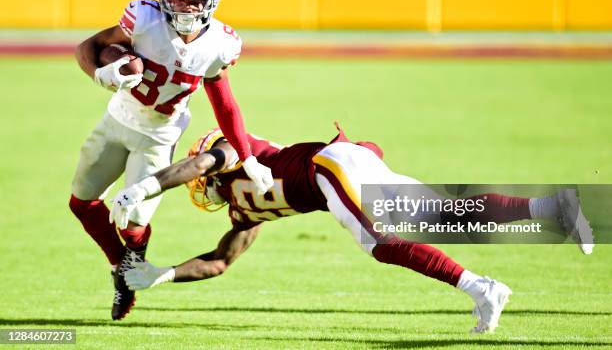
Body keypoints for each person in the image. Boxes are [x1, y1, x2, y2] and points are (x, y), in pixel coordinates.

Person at [110, 125, 593, 331]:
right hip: (345, 167)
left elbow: (195, 165)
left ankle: (481, 288)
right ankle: (552, 207)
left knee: (382, 243)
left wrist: (146, 189)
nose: (203, 187)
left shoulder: (235, 154)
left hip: (330, 167)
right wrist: (164, 274)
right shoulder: (244, 216)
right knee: (443, 214)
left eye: (204, 178)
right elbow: (220, 261)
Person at [69, 0, 274, 320]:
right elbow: (91, 45)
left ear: (211, 2)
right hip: (116, 121)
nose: (186, 8)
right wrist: (100, 72)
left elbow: (224, 103)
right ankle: (122, 268)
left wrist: (249, 155)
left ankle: (130, 260)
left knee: (133, 223)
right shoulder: (143, 18)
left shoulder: (219, 44)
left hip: (159, 137)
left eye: (195, 1)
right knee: (82, 203)